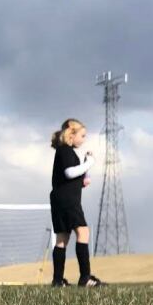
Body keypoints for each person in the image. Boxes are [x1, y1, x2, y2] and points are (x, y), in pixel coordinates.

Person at [50, 118, 105, 287]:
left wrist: (85, 173)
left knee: (62, 238)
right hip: (68, 200)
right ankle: (85, 278)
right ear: (71, 134)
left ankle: (58, 281)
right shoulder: (65, 151)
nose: (84, 139)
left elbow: (74, 177)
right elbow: (69, 173)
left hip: (59, 198)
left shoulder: (65, 152)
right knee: (83, 232)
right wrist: (89, 163)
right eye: (82, 135)